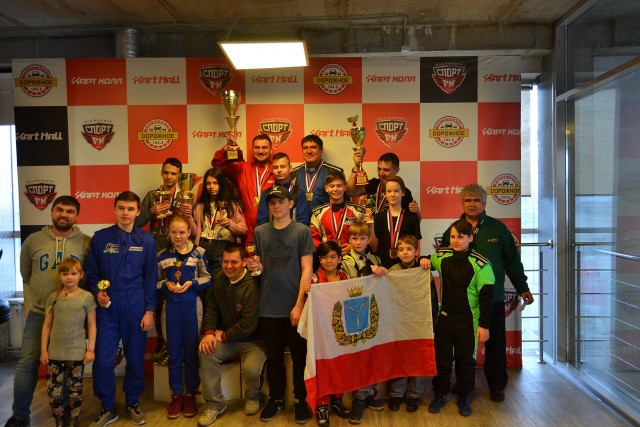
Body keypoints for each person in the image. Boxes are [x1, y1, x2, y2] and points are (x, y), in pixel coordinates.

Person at [440, 184, 534, 403]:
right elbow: (442, 258)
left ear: (484, 203)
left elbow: (512, 261)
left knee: (496, 344)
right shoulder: (454, 229)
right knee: (463, 346)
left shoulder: (497, 228)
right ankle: (463, 384)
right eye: (468, 200)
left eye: (476, 200)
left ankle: (497, 386)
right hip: (463, 302)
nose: (472, 204)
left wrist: (522, 287)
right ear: (462, 203)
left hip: (492, 298)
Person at [4, 195, 90, 427]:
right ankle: (20, 417)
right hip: (39, 312)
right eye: (59, 209)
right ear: (52, 211)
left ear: (76, 216)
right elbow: (26, 273)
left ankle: (66, 417)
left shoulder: (85, 242)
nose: (64, 215)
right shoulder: (33, 240)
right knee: (27, 363)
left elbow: (88, 276)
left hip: (71, 316)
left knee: (67, 364)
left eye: (70, 211)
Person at [85, 191, 158, 427]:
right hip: (108, 306)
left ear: (138, 212)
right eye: (121, 208)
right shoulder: (100, 238)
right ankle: (107, 407)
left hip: (136, 304)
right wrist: (97, 292)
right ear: (115, 209)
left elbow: (150, 278)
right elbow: (92, 274)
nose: (125, 213)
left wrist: (149, 310)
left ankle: (132, 403)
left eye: (130, 209)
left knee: (135, 359)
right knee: (103, 361)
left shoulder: (147, 241)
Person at [247, 186, 315, 424]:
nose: (277, 206)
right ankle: (276, 399)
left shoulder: (302, 231)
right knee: (274, 357)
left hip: (295, 305)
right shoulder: (260, 232)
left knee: (299, 356)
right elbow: (260, 268)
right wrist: (255, 267)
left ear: (291, 204)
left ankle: (300, 400)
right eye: (272, 202)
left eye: (281, 201)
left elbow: (307, 269)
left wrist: (299, 304)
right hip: (268, 305)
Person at [426, 219, 495, 417]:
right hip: (445, 318)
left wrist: (484, 325)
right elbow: (425, 261)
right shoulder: (441, 257)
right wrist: (423, 259)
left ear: (470, 238)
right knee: (442, 359)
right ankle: (440, 394)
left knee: (466, 361)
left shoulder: (481, 264)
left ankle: (464, 396)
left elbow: (487, 298)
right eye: (453, 237)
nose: (455, 241)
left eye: (461, 237)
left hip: (469, 320)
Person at [198, 243, 267, 426]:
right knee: (206, 350)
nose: (229, 266)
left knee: (251, 370)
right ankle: (215, 405)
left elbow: (249, 323)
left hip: (254, 341)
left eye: (234, 262)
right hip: (229, 340)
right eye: (225, 261)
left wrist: (224, 336)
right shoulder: (220, 278)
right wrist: (209, 332)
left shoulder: (251, 284)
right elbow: (212, 307)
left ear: (244, 262)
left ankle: (253, 396)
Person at [157, 214, 212, 420]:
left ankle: (190, 395)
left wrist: (193, 283)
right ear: (168, 233)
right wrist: (166, 284)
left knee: (190, 352)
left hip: (192, 306)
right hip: (170, 308)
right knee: (174, 353)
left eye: (182, 232)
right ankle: (176, 395)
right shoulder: (162, 256)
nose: (178, 236)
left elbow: (208, 278)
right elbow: (154, 283)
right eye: (174, 232)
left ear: (189, 232)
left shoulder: (199, 253)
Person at [135, 157, 189, 364]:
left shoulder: (184, 197)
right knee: (158, 300)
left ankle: (180, 346)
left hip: (179, 253)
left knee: (178, 297)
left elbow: (192, 224)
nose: (169, 176)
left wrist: (187, 212)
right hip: (156, 254)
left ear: (179, 176)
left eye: (173, 173)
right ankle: (162, 344)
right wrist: (151, 212)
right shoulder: (152, 196)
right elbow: (136, 222)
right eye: (166, 172)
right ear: (161, 173)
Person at [338, 222, 388, 424]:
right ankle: (358, 400)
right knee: (359, 357)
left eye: (362, 238)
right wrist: (369, 269)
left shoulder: (375, 258)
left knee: (371, 355)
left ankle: (366, 395)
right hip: (353, 313)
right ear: (349, 240)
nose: (358, 242)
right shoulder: (345, 260)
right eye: (354, 238)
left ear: (369, 240)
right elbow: (352, 281)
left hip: (372, 311)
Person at [40, 257, 97, 427]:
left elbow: (92, 325)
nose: (69, 277)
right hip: (55, 353)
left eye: (73, 273)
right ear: (60, 276)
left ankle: (73, 419)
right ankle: (59, 419)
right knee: (54, 390)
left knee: (75, 389)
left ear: (81, 275)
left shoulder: (87, 297)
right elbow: (46, 326)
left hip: (76, 352)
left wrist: (90, 349)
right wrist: (44, 350)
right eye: (65, 274)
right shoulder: (53, 297)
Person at [386, 234, 438, 413]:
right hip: (398, 322)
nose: (405, 252)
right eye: (401, 249)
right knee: (399, 358)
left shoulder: (424, 270)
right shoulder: (392, 271)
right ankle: (396, 394)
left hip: (419, 322)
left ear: (417, 252)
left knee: (418, 358)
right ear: (397, 252)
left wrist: (432, 322)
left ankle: (414, 395)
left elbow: (432, 299)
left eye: (409, 249)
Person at [303, 241, 351, 426]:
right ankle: (321, 404)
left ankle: (337, 399)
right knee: (322, 368)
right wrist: (307, 292)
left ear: (339, 259)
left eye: (332, 257)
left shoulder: (345, 277)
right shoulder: (314, 279)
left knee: (340, 366)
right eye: (324, 257)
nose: (328, 261)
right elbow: (308, 305)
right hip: (321, 333)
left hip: (340, 331)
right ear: (319, 259)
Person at [211, 133, 276, 244]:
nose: (260, 151)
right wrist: (227, 146)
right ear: (252, 149)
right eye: (257, 147)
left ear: (270, 150)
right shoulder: (243, 168)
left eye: (264, 147)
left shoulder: (277, 171)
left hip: (273, 231)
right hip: (249, 231)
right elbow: (218, 164)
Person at [191, 167, 247, 279]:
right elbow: (194, 233)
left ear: (221, 184)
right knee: (202, 281)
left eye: (215, 183)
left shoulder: (232, 205)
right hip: (203, 245)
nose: (211, 187)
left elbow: (244, 231)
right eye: (208, 183)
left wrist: (230, 224)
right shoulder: (199, 206)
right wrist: (188, 217)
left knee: (219, 281)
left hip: (222, 246)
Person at [367, 176, 421, 269]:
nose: (392, 194)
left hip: (405, 268)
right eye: (389, 191)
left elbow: (416, 249)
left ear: (403, 193)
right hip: (382, 269)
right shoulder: (378, 217)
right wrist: (370, 226)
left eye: (396, 191)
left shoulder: (412, 218)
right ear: (385, 194)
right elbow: (374, 248)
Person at [345, 152, 419, 216]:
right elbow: (350, 192)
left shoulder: (403, 192)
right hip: (371, 226)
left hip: (392, 227)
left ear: (397, 170)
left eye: (386, 170)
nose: (381, 173)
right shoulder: (374, 184)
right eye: (379, 169)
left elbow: (414, 221)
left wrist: (417, 212)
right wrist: (356, 167)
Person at [310, 171, 365, 255]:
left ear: (345, 187)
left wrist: (353, 247)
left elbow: (366, 236)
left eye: (339, 186)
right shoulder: (318, 213)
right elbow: (313, 239)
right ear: (326, 188)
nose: (335, 189)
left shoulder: (358, 211)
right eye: (331, 186)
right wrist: (326, 249)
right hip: (328, 258)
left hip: (352, 257)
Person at [257, 152, 310, 226]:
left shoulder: (299, 193)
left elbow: (303, 222)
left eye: (282, 167)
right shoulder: (266, 194)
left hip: (294, 233)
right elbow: (262, 222)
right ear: (272, 170)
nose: (279, 170)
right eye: (275, 167)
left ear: (290, 168)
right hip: (271, 233)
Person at [291, 134, 342, 210]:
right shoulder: (294, 173)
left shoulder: (334, 172)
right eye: (305, 148)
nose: (309, 151)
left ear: (321, 150)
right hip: (301, 217)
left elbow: (342, 202)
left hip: (325, 216)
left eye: (313, 147)